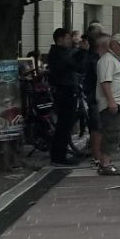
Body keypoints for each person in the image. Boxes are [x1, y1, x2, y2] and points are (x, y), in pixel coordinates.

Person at [95, 33, 120, 176]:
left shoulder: (114, 60)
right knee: (111, 133)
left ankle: (106, 162)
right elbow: (105, 81)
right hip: (113, 103)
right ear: (113, 45)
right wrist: (111, 101)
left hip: (119, 103)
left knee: (115, 133)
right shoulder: (107, 60)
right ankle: (105, 164)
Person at [46, 28, 82, 166]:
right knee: (64, 124)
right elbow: (74, 65)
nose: (70, 41)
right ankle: (59, 156)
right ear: (60, 39)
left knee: (65, 124)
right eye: (67, 38)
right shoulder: (59, 53)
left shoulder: (60, 53)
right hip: (64, 90)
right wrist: (81, 51)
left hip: (66, 89)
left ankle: (60, 154)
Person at [83, 32, 108, 165]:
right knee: (98, 128)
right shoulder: (96, 61)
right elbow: (102, 79)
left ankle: (100, 157)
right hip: (96, 98)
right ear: (102, 46)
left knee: (99, 127)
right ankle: (98, 157)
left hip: (97, 97)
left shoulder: (98, 59)